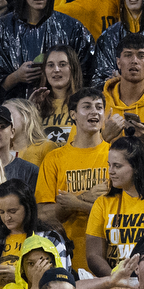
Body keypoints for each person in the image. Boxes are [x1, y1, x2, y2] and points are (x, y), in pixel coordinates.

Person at [35, 86, 111, 264]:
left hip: (110, 258)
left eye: (99, 107)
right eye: (86, 107)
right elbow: (42, 216)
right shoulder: (54, 159)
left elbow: (123, 211)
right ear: (73, 115)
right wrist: (85, 197)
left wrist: (75, 202)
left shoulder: (116, 154)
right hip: (66, 258)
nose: (94, 112)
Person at [85, 134, 144, 273]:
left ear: (136, 167)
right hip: (114, 283)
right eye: (109, 165)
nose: (111, 171)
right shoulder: (103, 202)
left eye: (117, 166)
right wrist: (116, 279)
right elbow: (93, 255)